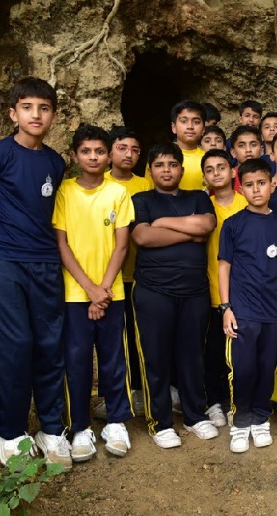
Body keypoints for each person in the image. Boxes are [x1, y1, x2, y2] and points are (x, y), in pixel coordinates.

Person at [0, 77, 72, 469]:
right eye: (27, 107)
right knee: (15, 344)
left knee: (49, 344)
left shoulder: (55, 162)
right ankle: (11, 434)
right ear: (14, 113)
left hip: (45, 262)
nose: (36, 115)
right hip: (4, 262)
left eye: (44, 108)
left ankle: (51, 429)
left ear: (53, 116)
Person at [53, 125, 134, 461]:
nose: (93, 157)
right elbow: (62, 244)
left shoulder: (118, 192)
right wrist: (90, 289)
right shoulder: (64, 192)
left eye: (100, 151)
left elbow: (122, 245)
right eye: (86, 151)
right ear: (75, 155)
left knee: (114, 359)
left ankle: (116, 422)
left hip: (111, 292)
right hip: (75, 294)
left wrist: (103, 290)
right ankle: (81, 426)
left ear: (109, 155)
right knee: (77, 360)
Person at [131, 143, 219, 449]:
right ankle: (161, 422)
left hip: (194, 292)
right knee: (156, 357)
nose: (166, 170)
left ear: (182, 169)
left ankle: (195, 415)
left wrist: (163, 223)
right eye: (159, 165)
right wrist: (189, 232)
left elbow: (206, 226)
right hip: (154, 291)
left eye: (172, 164)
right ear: (150, 170)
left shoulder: (198, 198)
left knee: (192, 356)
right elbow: (143, 236)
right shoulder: (141, 200)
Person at [219, 158, 277, 453]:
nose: (256, 190)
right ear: (241, 188)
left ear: (272, 185)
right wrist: (226, 307)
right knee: (243, 368)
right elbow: (224, 266)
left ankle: (261, 419)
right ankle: (240, 422)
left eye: (261, 183)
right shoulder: (233, 224)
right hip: (243, 311)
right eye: (249, 185)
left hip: (273, 312)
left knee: (266, 367)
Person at [97, 126, 150, 418]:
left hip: (140, 274)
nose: (128, 154)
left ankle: (139, 391)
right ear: (110, 152)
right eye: (122, 148)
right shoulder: (98, 182)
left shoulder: (146, 185)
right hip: (106, 276)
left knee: (138, 336)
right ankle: (110, 394)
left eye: (135, 150)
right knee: (111, 339)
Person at [202, 149, 247, 428]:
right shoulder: (203, 206)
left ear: (233, 172)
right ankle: (214, 402)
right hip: (210, 289)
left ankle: (236, 402)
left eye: (221, 167)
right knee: (213, 352)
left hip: (243, 293)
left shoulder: (247, 203)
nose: (216, 173)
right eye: (209, 169)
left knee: (240, 353)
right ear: (204, 177)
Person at [146, 100, 207, 191]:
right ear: (173, 127)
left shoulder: (208, 159)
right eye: (184, 121)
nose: (190, 126)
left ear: (203, 129)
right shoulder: (159, 155)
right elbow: (149, 190)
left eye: (196, 122)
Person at [229, 125, 264, 191]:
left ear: (261, 150)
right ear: (233, 152)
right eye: (241, 145)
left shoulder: (270, 175)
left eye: (253, 145)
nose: (248, 150)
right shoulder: (228, 179)